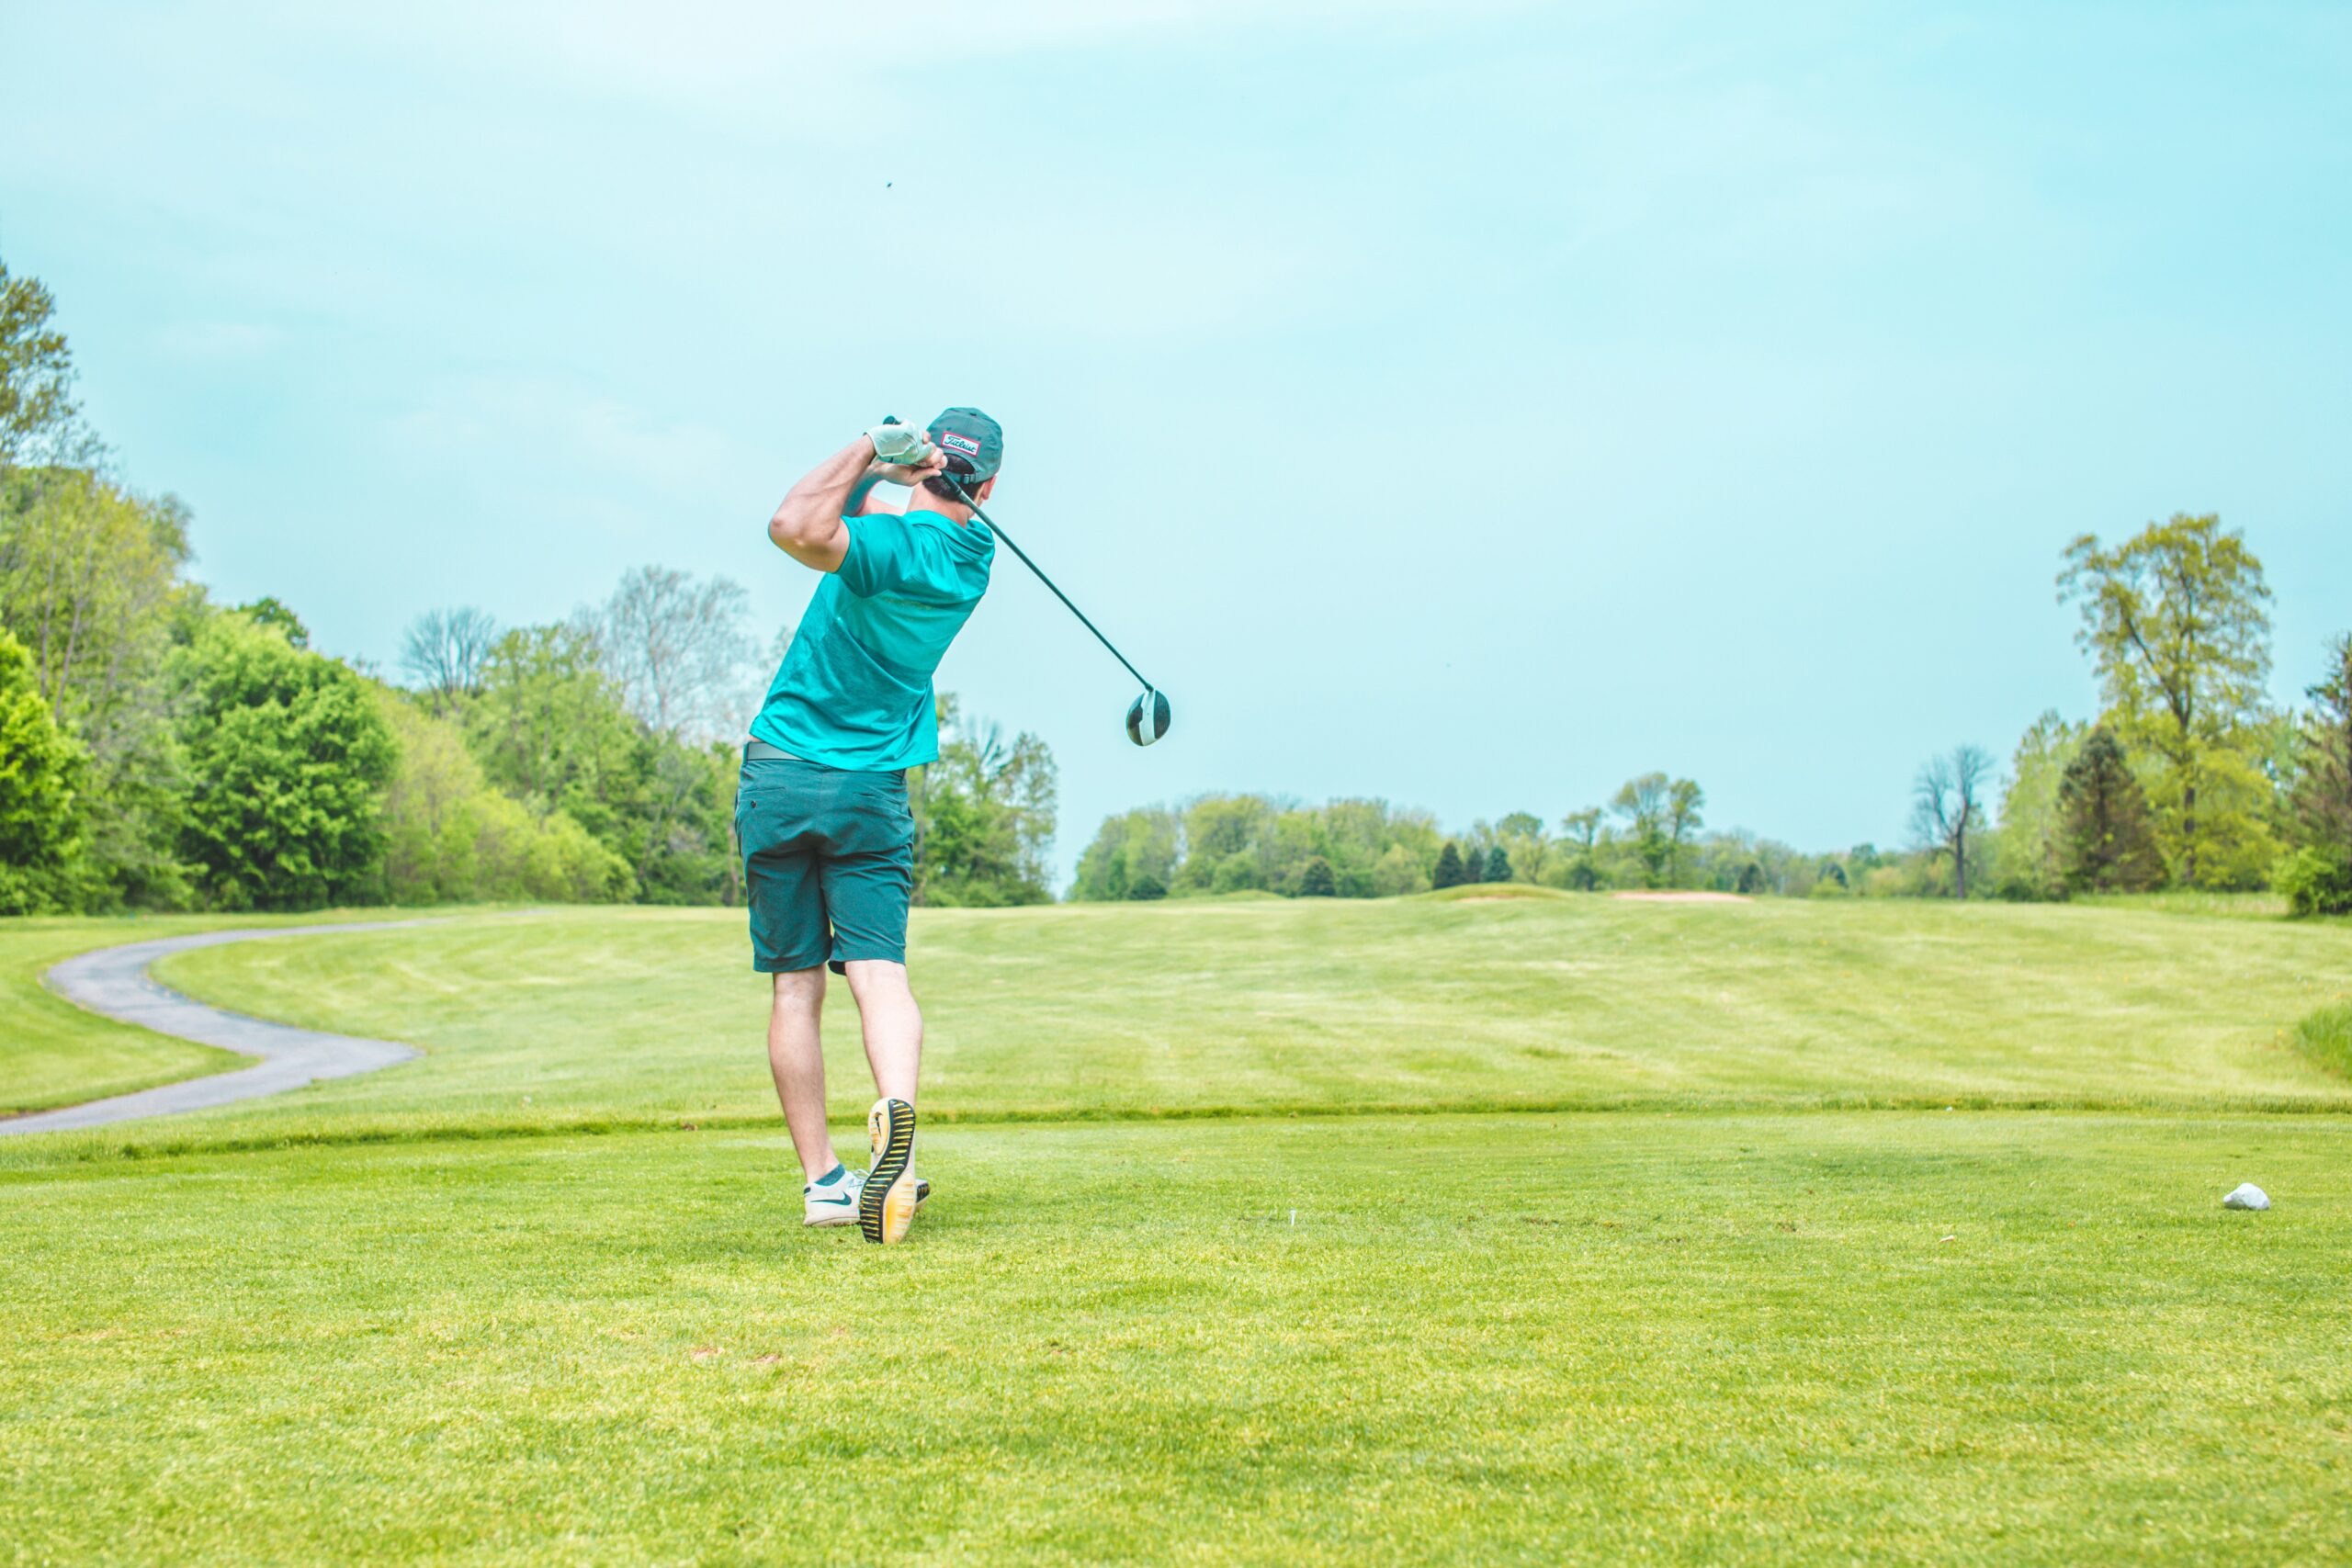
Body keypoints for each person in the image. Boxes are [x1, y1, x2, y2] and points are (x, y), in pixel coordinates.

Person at [743, 409, 1002, 1244]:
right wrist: (900, 477)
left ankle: (824, 1181)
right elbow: (849, 526)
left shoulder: (886, 546)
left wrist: (868, 449)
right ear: (988, 486)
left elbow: (795, 524)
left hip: (780, 774)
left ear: (925, 463)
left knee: (796, 984)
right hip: (869, 794)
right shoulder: (972, 562)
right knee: (879, 972)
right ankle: (898, 1124)